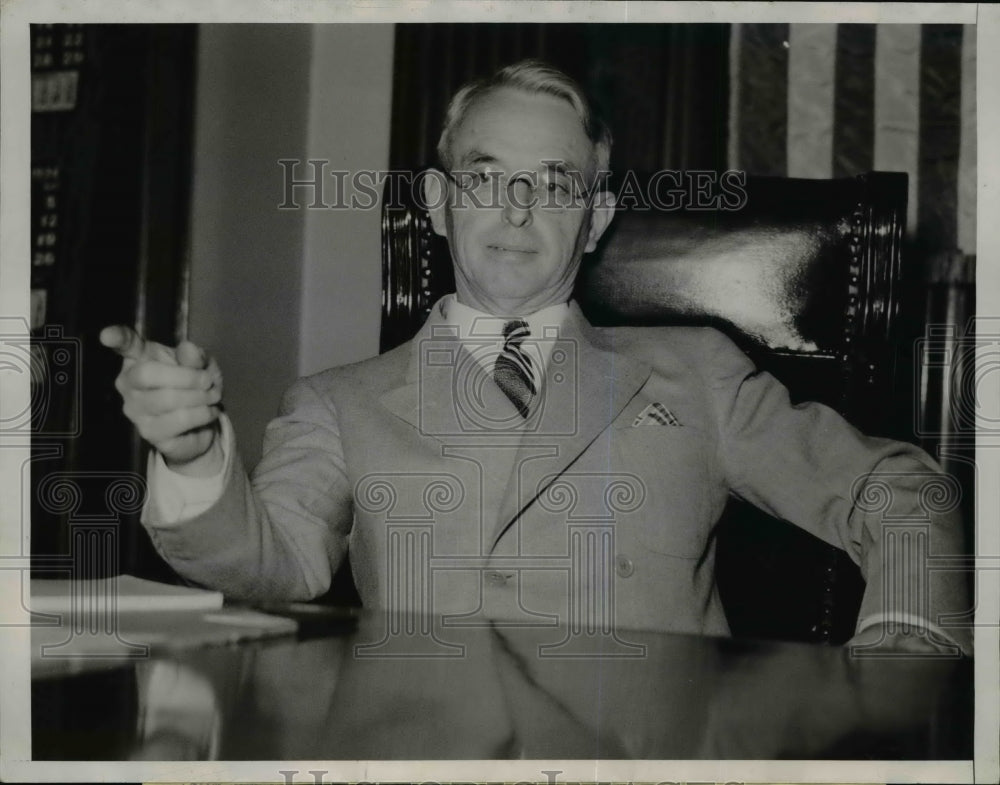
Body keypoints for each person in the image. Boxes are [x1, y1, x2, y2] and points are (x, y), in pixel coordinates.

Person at [102, 60, 969, 654]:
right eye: (486, 178)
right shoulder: (336, 402)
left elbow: (900, 487)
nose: (517, 211)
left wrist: (906, 639)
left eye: (554, 184)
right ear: (439, 204)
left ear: (593, 220)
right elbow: (270, 567)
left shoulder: (696, 374)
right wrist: (192, 454)